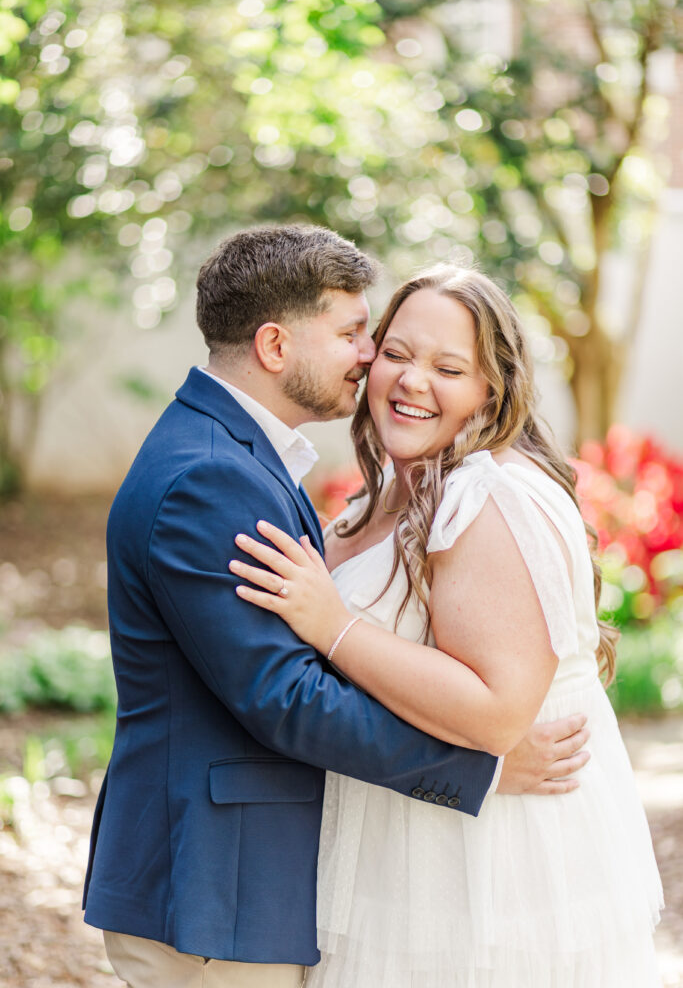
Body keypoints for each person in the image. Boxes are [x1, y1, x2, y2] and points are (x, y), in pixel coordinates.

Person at [83, 227, 590, 988]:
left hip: (250, 883)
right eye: (354, 333)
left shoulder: (242, 456)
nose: (368, 355)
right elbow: (284, 696)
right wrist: (477, 770)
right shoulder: (210, 478)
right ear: (275, 346)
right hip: (216, 889)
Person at [231, 263, 664, 987]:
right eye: (395, 354)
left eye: (448, 367)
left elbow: (497, 716)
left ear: (490, 389)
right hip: (400, 837)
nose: (411, 381)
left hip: (482, 867)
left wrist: (332, 625)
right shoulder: (380, 499)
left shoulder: (489, 494)